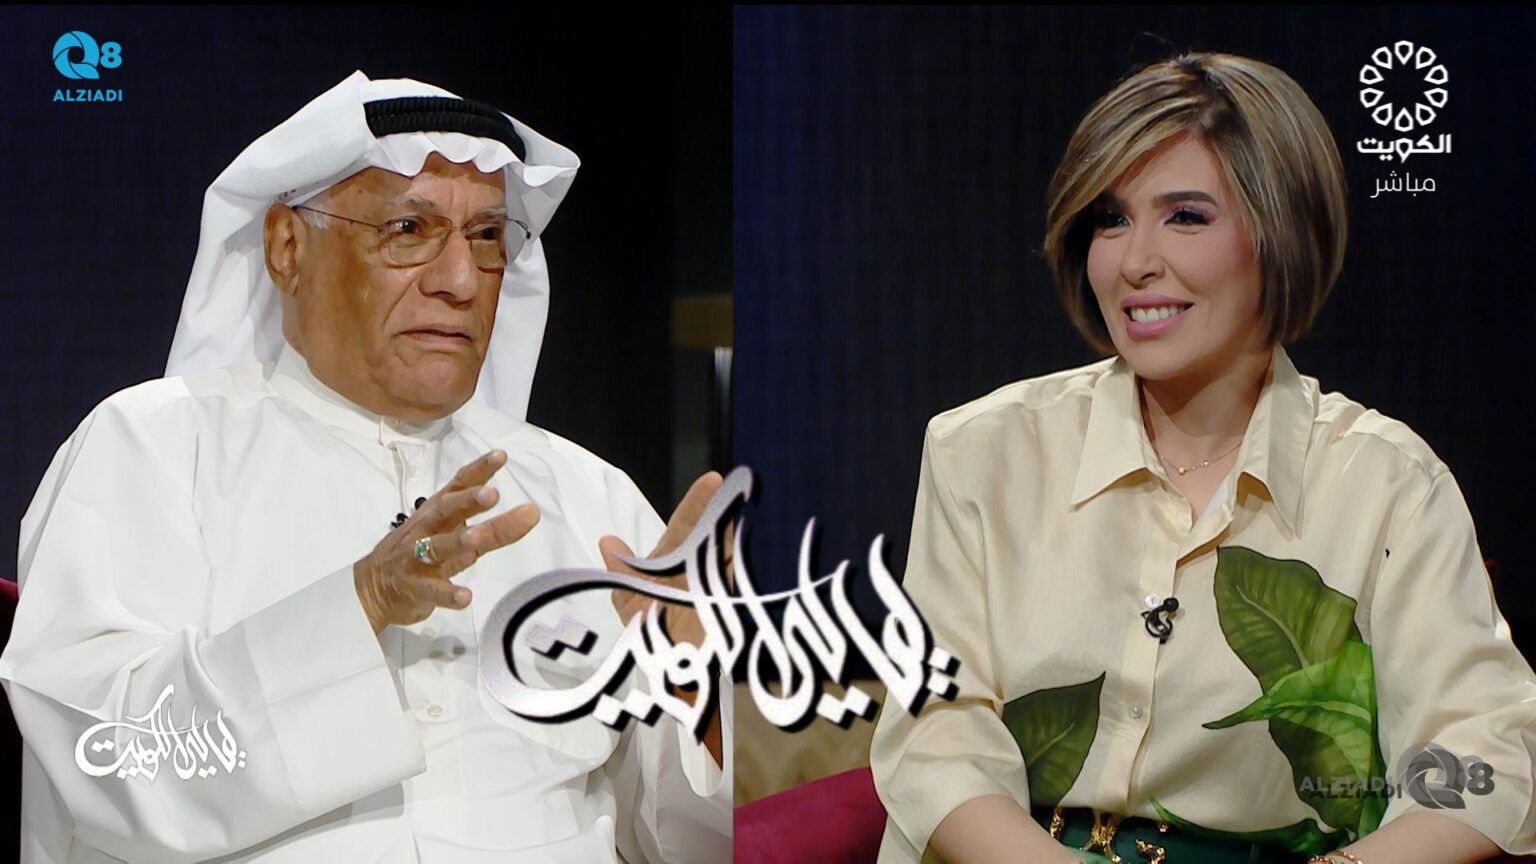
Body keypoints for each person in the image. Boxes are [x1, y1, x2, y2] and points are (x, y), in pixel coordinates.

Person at [0, 71, 732, 863]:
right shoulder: (152, 450)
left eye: (487, 237)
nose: (460, 281)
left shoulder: (591, 498)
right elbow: (106, 763)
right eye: (409, 228)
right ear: (287, 247)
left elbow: (693, 841)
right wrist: (362, 603)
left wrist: (694, 683)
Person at [870, 52, 1536, 864]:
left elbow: (1486, 756)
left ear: (1282, 233)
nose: (1134, 261)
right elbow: (935, 736)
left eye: (1185, 217)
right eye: (1111, 219)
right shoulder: (982, 453)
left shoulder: (1388, 487)